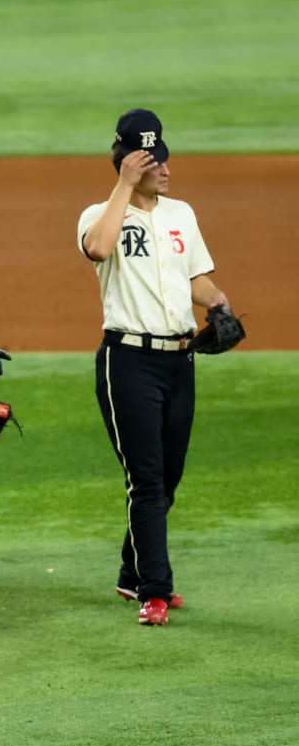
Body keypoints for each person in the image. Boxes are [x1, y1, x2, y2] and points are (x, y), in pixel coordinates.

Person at [77, 108, 233, 626]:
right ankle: (155, 590)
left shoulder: (181, 214)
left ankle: (131, 571)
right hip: (127, 362)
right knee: (145, 479)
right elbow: (98, 249)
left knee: (168, 477)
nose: (165, 167)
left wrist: (219, 305)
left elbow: (197, 280)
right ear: (128, 162)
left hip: (178, 361)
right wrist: (123, 184)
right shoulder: (99, 215)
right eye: (153, 159)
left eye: (164, 155)